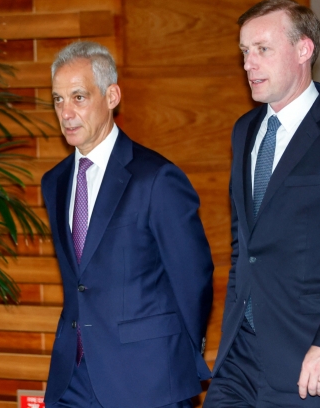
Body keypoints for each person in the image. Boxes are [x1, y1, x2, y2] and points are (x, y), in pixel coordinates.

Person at [204, 0, 320, 408]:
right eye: (245, 52)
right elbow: (245, 247)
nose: (249, 63)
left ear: (304, 50)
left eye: (263, 50)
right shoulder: (245, 131)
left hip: (313, 363)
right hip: (241, 360)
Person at [42, 41, 213, 408]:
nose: (66, 112)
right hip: (72, 380)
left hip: (147, 380)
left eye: (78, 97)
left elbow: (193, 277)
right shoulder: (54, 182)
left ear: (112, 95)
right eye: (57, 100)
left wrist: (175, 355)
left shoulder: (156, 178)